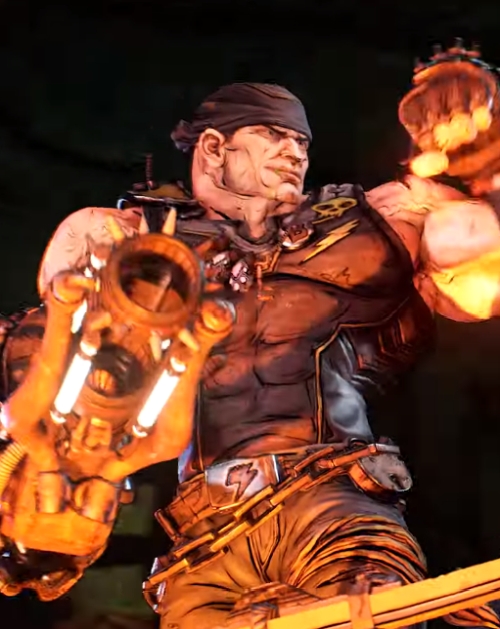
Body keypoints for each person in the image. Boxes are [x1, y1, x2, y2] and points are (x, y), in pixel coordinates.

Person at [3, 56, 500, 629]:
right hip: (202, 539)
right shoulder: (125, 245)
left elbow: (479, 270)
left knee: (364, 610)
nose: (295, 153)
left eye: (301, 142)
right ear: (214, 148)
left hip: (331, 504)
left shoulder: (377, 223)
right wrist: (33, 486)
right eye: (272, 135)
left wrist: (480, 157)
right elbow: (42, 369)